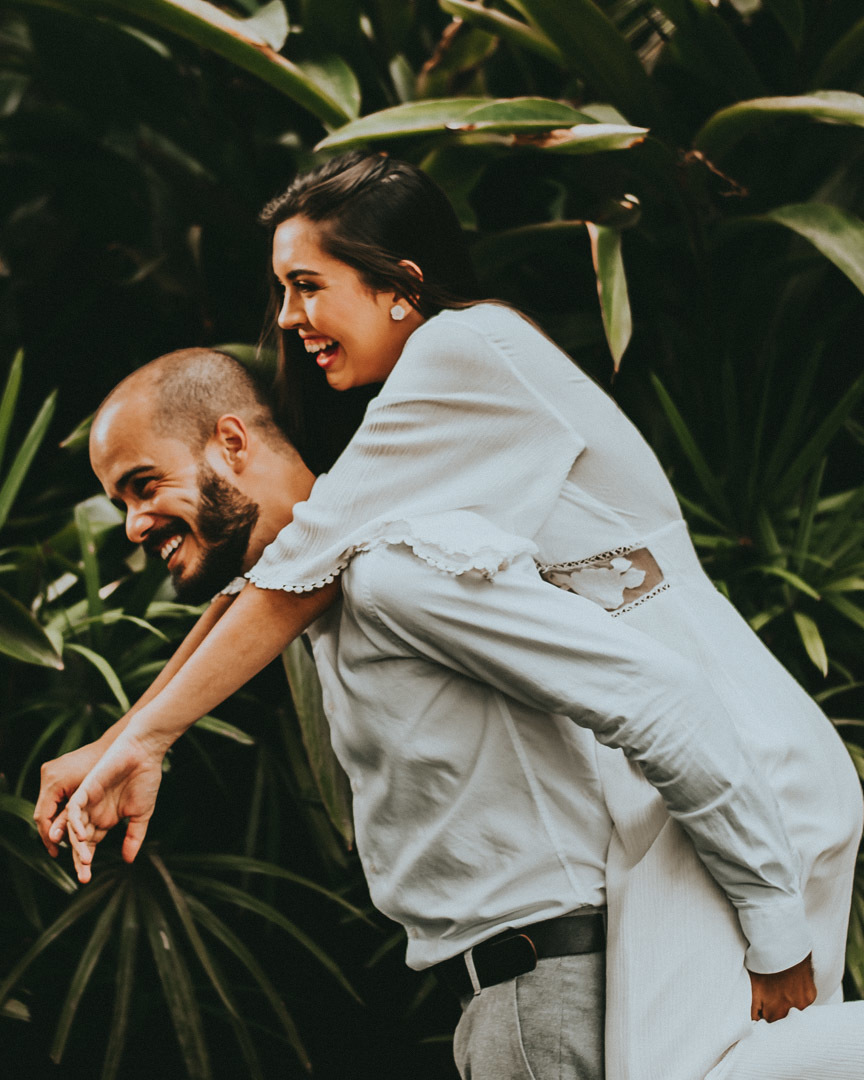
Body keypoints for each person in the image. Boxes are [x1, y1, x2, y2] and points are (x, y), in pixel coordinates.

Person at [36, 152, 863, 1079]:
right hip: (705, 761)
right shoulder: (429, 433)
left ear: (401, 283)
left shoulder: (464, 350)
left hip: (735, 747)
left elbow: (302, 564)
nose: (287, 318)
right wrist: (127, 737)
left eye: (307, 285)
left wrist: (143, 739)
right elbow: (283, 566)